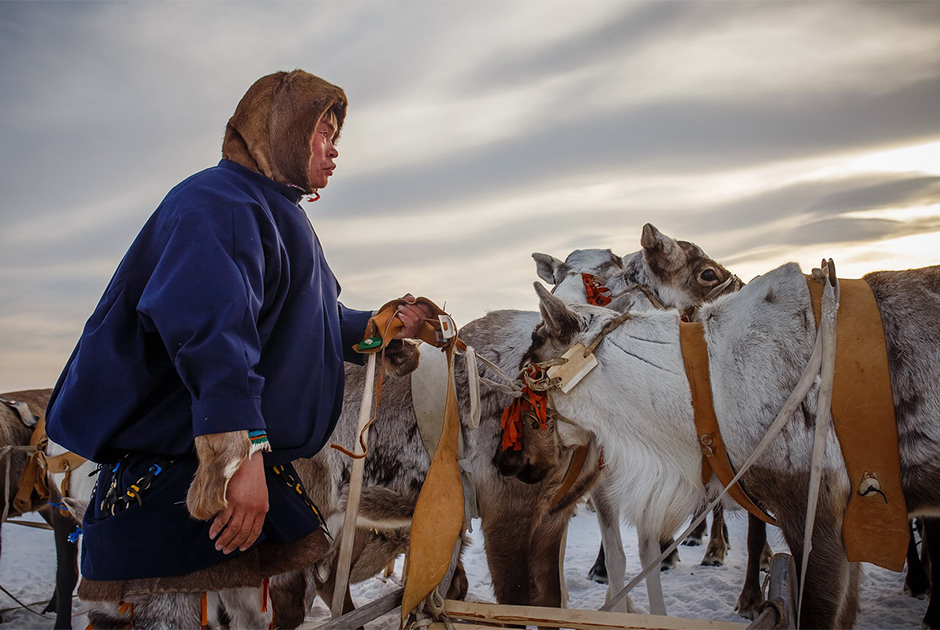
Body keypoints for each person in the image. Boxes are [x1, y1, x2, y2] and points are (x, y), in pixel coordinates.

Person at [45, 69, 431, 628]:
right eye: (323, 133)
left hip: (234, 468)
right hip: (183, 477)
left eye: (336, 137)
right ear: (282, 131)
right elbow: (211, 334)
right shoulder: (219, 204)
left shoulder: (272, 210)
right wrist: (237, 460)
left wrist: (379, 326)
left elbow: (304, 326)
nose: (334, 151)